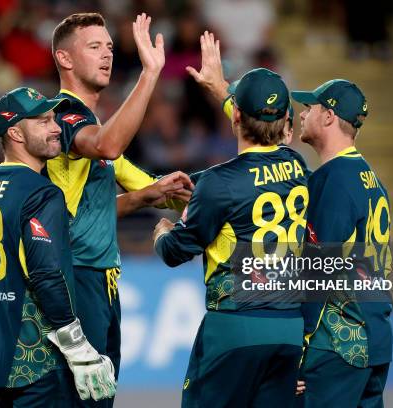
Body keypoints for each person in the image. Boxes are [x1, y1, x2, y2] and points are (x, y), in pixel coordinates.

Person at [0, 87, 118, 406]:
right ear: (16, 133)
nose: (57, 128)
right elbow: (47, 274)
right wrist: (75, 344)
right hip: (39, 363)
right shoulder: (42, 193)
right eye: (43, 121)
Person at [154, 34, 311, 405]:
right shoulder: (299, 166)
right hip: (288, 327)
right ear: (286, 121)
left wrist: (162, 230)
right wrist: (220, 88)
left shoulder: (218, 182)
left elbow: (176, 251)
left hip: (234, 327)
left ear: (236, 115)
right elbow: (259, 126)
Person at [48, 12, 193, 407]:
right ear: (65, 59)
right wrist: (149, 74)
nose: (106, 54)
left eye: (110, 46)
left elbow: (139, 184)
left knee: (99, 398)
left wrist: (161, 192)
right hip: (74, 277)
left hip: (102, 280)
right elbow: (108, 147)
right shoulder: (61, 114)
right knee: (81, 398)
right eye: (94, 46)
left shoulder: (92, 124)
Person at [291, 80, 393, 407]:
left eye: (310, 108)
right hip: (375, 337)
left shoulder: (331, 180)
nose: (302, 114)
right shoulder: (373, 181)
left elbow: (318, 270)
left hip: (337, 343)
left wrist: (299, 347)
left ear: (328, 116)